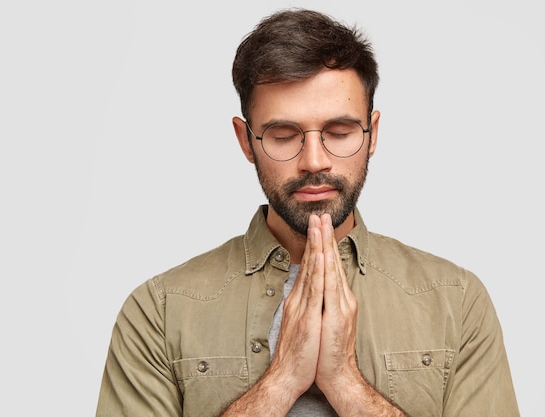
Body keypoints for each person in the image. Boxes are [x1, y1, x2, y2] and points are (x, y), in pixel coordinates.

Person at [95, 8, 520, 417]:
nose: (314, 160)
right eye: (283, 135)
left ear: (372, 134)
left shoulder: (456, 300)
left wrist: (345, 383)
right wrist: (280, 381)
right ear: (246, 141)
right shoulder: (158, 311)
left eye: (339, 132)